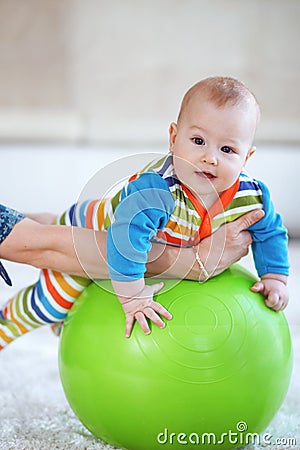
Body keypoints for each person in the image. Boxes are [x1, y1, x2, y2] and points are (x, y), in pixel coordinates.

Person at [0, 76, 287, 348]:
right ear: (174, 138)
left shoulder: (251, 197)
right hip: (96, 229)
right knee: (54, 304)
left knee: (62, 230)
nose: (209, 158)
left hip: (130, 231)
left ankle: (48, 221)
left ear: (247, 157)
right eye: (198, 141)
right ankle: (7, 322)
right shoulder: (158, 190)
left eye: (227, 149)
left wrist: (275, 276)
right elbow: (126, 239)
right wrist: (133, 296)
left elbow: (271, 231)